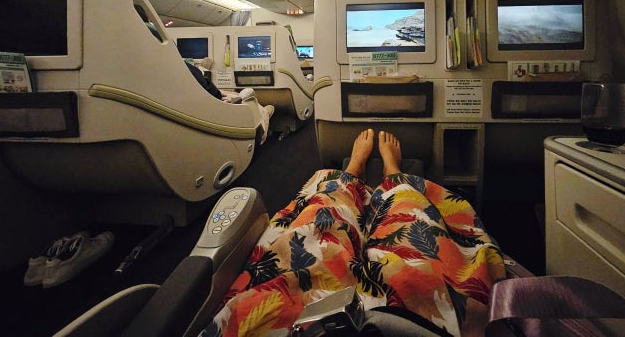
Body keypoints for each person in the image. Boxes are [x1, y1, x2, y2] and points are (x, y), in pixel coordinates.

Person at [200, 130, 506, 337]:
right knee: (411, 225)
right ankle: (393, 176)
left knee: (319, 224)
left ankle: (351, 175)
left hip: (284, 317)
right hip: (423, 320)